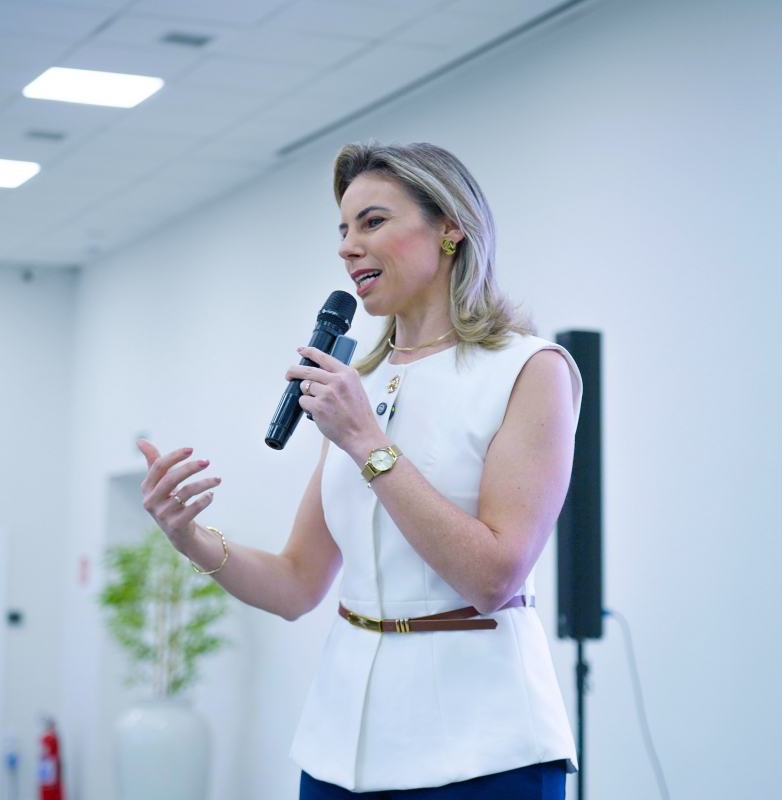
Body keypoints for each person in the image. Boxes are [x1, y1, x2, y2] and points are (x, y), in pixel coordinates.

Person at [137, 142, 581, 799]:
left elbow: (494, 577)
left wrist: (368, 443)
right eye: (343, 230)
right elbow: (297, 584)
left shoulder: (527, 368)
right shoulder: (357, 383)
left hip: (484, 745)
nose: (348, 247)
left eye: (372, 222)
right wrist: (190, 538)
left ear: (450, 227)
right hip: (341, 746)